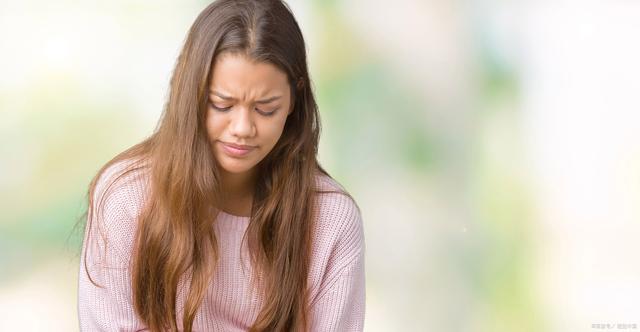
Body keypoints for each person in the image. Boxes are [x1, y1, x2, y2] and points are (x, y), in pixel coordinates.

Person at [76, 0, 365, 331]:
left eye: (266, 108)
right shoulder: (126, 198)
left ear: (294, 102)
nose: (242, 128)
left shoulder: (330, 220)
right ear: (190, 93)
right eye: (221, 104)